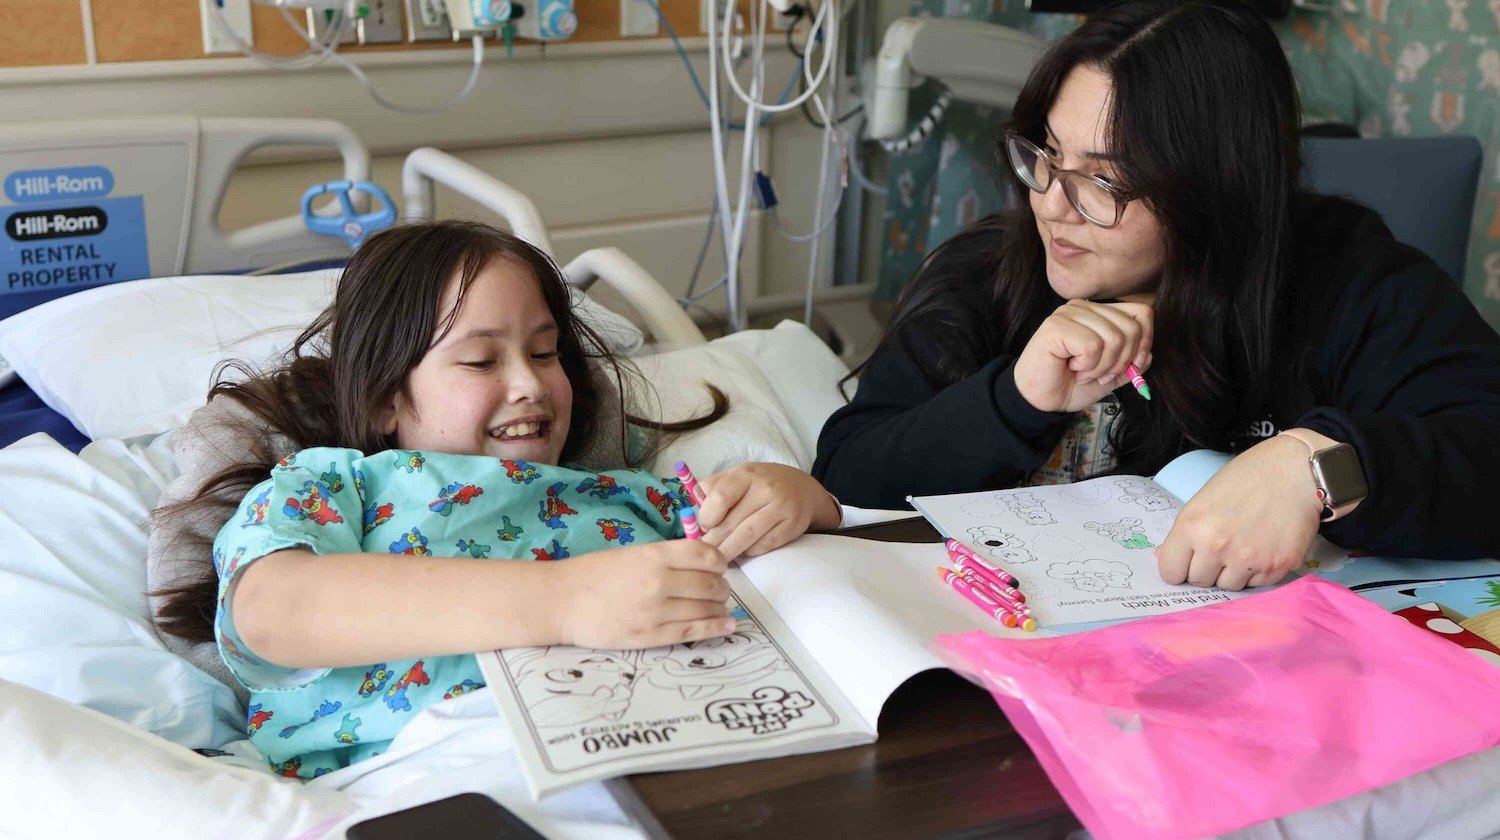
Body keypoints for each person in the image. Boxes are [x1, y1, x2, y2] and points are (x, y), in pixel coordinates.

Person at [814, 0, 1500, 592]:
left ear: (1216, 193)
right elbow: (847, 474)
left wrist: (1317, 464)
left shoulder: (1345, 274)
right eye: (1046, 157)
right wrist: (1014, 399)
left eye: (1106, 183)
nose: (1053, 206)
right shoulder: (987, 274)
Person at [153, 221, 841, 776]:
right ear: (387, 398)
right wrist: (568, 601)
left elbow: (770, 534)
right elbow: (275, 611)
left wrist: (793, 494)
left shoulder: (615, 495)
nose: (531, 385)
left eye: (546, 354)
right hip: (433, 776)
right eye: (482, 361)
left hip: (673, 746)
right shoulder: (335, 487)